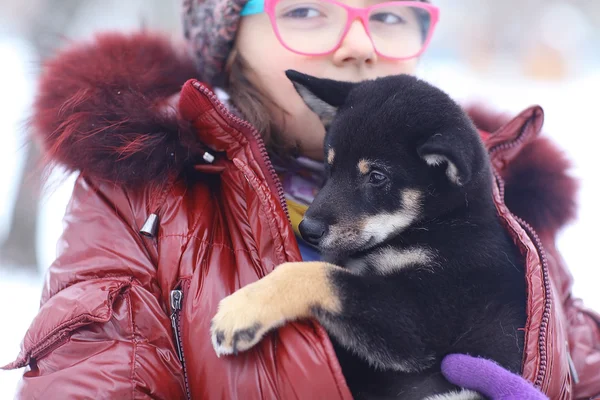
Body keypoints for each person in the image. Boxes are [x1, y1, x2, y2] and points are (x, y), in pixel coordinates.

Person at [2, 0, 599, 398]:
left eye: (391, 13)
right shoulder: (146, 207)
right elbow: (93, 376)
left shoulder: (500, 195)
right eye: (308, 10)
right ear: (230, 38)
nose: (359, 45)